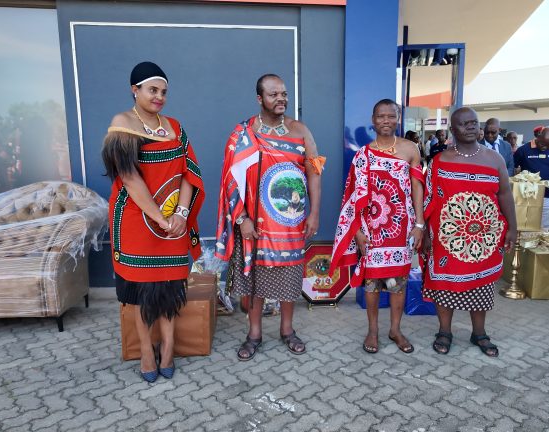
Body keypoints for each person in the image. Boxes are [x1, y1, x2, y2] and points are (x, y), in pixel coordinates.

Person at [101, 62, 205, 382]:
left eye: (163, 91)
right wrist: (160, 218)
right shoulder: (123, 123)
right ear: (135, 90)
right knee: (142, 290)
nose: (159, 96)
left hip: (173, 220)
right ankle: (147, 351)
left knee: (170, 286)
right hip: (136, 220)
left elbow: (189, 173)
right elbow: (130, 180)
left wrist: (181, 214)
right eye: (152, 90)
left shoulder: (175, 127)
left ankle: (168, 347)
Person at [215, 74, 323, 361]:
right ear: (259, 98)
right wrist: (242, 219)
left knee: (289, 277)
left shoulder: (300, 131)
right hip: (255, 224)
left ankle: (287, 330)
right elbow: (231, 178)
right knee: (255, 279)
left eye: (284, 94)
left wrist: (314, 213)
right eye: (274, 94)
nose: (281, 99)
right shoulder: (244, 133)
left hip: (290, 223)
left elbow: (314, 172)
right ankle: (254, 334)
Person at [422, 107, 517, 357]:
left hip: (484, 237)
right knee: (444, 284)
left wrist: (513, 228)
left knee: (481, 285)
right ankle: (444, 331)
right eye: (464, 124)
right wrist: (426, 234)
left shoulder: (495, 159)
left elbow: (505, 194)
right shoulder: (440, 160)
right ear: (453, 130)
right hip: (448, 237)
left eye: (474, 122)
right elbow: (429, 199)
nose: (471, 126)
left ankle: (479, 333)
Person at [331, 99, 424, 354]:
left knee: (399, 282)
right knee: (371, 282)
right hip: (371, 228)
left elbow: (417, 188)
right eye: (381, 116)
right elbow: (352, 196)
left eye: (391, 116)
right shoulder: (363, 155)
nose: (386, 121)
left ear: (398, 119)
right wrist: (357, 232)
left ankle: (395, 330)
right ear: (373, 120)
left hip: (401, 227)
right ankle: (372, 331)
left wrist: (419, 224)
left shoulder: (410, 149)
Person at [513, 127, 549, 229]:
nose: (544, 148)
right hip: (528, 196)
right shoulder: (523, 150)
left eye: (548, 145)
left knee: (545, 228)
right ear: (538, 136)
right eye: (542, 144)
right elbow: (513, 169)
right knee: (526, 226)